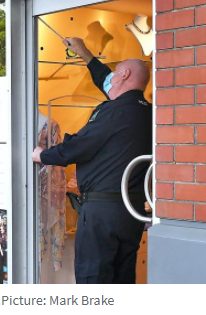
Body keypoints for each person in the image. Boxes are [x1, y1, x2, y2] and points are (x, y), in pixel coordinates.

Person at [32, 37, 152, 284]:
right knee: (123, 276)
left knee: (94, 276)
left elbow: (80, 146)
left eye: (116, 72)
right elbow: (107, 82)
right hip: (132, 210)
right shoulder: (148, 112)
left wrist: (42, 155)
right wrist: (85, 54)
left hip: (103, 211)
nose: (111, 77)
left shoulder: (113, 112)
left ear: (124, 75)